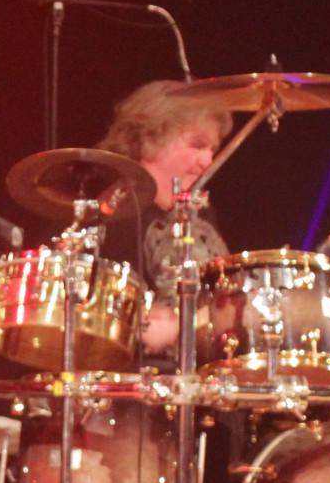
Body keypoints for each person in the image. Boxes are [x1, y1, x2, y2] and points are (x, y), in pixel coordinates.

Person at [96, 79, 235, 355]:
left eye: (212, 149)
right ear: (151, 139)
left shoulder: (200, 211)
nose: (208, 161)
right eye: (197, 145)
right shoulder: (114, 214)